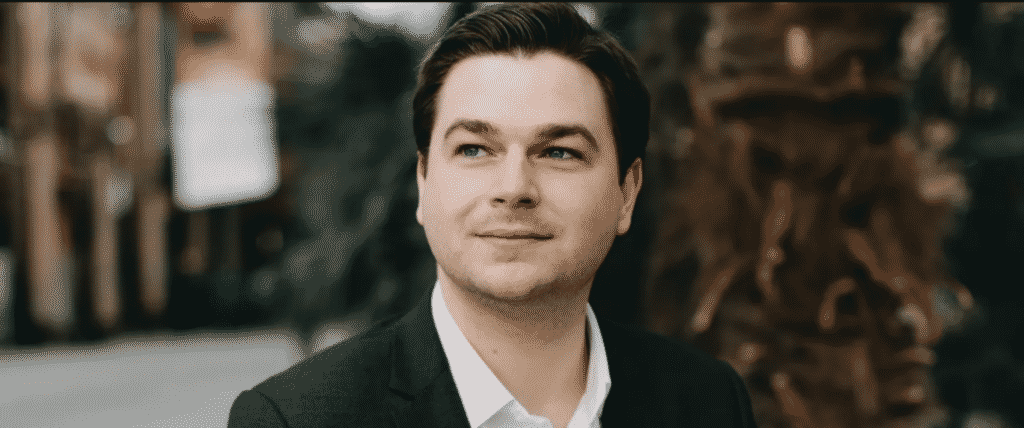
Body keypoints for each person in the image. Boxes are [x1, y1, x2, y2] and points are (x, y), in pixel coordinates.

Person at [227, 4, 756, 427]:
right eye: (475, 149)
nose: (513, 189)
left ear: (627, 193)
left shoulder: (707, 401)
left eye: (559, 152)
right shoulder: (298, 420)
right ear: (423, 183)